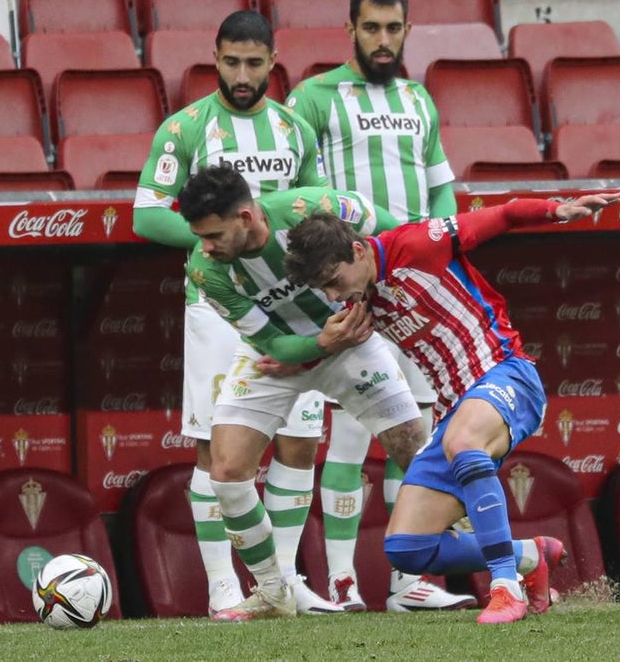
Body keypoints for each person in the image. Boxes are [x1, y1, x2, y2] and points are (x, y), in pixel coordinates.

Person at [284, 191, 620, 624]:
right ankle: (527, 557)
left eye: (334, 279)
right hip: (455, 409)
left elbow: (501, 215)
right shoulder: (358, 301)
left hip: (506, 374)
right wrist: (308, 349)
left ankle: (505, 588)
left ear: (357, 249)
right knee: (407, 548)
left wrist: (556, 210)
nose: (334, 294)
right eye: (324, 288)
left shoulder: (418, 243)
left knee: (464, 441)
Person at [132, 10, 341, 617]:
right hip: (218, 309)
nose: (242, 74)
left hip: (294, 305)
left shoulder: (295, 129)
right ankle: (224, 585)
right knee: (216, 448)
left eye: (254, 63)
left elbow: (314, 212)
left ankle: (280, 583)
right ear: (214, 58)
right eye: (231, 62)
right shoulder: (185, 128)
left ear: (273, 62)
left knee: (300, 442)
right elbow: (147, 215)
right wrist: (217, 249)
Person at [286, 0, 472, 612]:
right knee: (348, 437)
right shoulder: (313, 98)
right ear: (350, 29)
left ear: (407, 30)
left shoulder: (420, 101)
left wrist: (441, 242)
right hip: (351, 290)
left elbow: (442, 188)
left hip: (413, 290)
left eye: (394, 29)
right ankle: (342, 581)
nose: (384, 41)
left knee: (413, 435)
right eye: (372, 29)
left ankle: (407, 582)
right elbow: (302, 195)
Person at [175, 164, 431, 621]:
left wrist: (376, 297)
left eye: (213, 235)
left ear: (246, 217)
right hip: (281, 355)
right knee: (227, 468)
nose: (205, 247)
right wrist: (320, 344)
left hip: (351, 343)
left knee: (422, 458)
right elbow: (271, 344)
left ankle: (513, 564)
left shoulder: (311, 208)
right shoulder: (205, 271)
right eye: (199, 236)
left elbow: (400, 236)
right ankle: (274, 590)